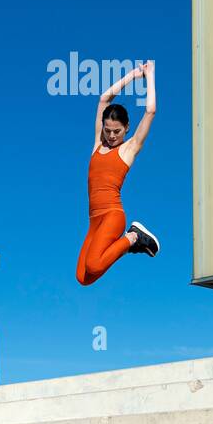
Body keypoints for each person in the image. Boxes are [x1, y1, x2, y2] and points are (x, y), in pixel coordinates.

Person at [75, 59, 159, 286]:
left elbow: (150, 111)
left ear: (127, 128)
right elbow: (104, 98)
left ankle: (133, 237)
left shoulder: (129, 149)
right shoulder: (97, 145)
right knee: (83, 277)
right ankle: (131, 243)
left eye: (117, 131)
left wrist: (149, 76)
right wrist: (132, 76)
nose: (112, 136)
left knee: (94, 264)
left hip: (113, 215)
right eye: (108, 130)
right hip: (94, 220)